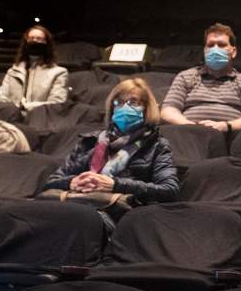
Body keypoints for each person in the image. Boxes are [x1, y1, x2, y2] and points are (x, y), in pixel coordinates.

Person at [42, 77, 179, 204]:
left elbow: (169, 190)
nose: (125, 108)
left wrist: (115, 185)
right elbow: (52, 181)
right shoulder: (90, 141)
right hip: (81, 202)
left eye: (133, 102)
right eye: (118, 102)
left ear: (146, 108)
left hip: (120, 212)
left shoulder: (157, 145)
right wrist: (71, 182)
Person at [161, 23, 241, 134]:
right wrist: (190, 126)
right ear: (205, 50)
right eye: (210, 45)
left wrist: (226, 126)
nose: (215, 49)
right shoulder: (185, 76)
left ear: (233, 52)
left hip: (230, 137)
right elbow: (168, 110)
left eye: (221, 45)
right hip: (188, 136)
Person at [0, 25, 69, 111]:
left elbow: (57, 103)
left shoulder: (59, 73)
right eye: (31, 38)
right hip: (12, 118)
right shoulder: (13, 72)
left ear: (47, 43)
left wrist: (26, 107)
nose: (34, 41)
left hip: (40, 120)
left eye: (39, 39)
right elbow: (0, 99)